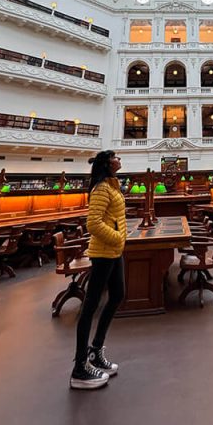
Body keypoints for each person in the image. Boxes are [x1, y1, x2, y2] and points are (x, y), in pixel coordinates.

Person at [70, 150, 127, 390]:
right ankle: (80, 369)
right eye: (116, 157)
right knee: (90, 305)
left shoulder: (112, 186)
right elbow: (93, 223)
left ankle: (95, 351)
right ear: (107, 163)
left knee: (117, 295)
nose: (119, 159)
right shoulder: (102, 188)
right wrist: (116, 237)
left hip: (114, 250)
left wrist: (119, 239)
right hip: (104, 251)